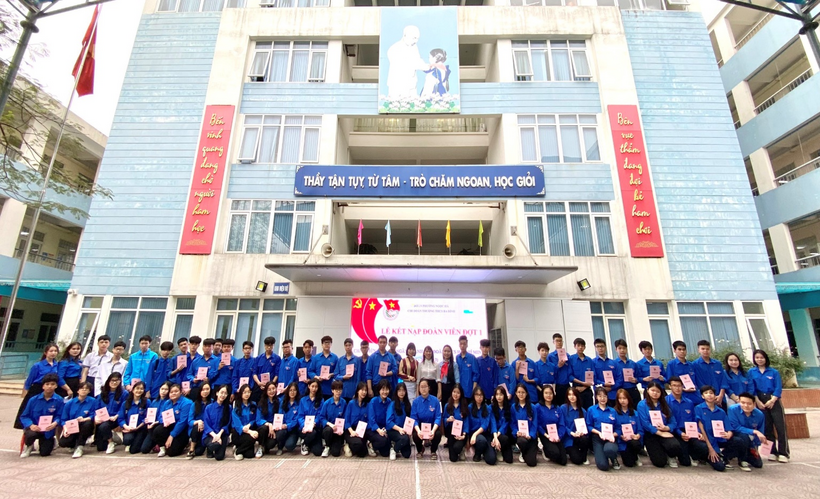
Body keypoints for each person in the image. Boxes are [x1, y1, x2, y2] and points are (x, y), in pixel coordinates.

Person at [748, 349, 789, 463]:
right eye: (757, 358)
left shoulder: (773, 372)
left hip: (773, 400)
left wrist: (773, 400)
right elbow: (752, 388)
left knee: (780, 427)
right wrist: (757, 401)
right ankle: (772, 452)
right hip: (760, 400)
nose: (759, 360)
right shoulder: (751, 372)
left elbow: (778, 387)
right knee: (767, 427)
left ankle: (783, 453)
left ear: (765, 358)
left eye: (761, 357)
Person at [17, 343, 69, 430]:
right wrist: (25, 393)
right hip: (36, 389)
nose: (53, 353)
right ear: (46, 352)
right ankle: (28, 436)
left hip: (50, 389)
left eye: (55, 351)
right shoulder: (37, 365)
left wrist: (68, 389)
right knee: (30, 413)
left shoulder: (57, 365)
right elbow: (29, 381)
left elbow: (59, 379)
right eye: (51, 351)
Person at [693, 385, 740, 471]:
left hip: (719, 439)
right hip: (707, 440)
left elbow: (728, 427)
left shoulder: (721, 411)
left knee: (738, 441)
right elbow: (701, 428)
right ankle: (707, 457)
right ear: (702, 396)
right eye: (706, 393)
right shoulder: (698, 408)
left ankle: (723, 456)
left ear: (715, 396)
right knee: (720, 467)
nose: (709, 395)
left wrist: (729, 433)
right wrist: (711, 449)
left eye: (711, 393)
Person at [637, 380, 681, 468]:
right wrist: (660, 433)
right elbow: (645, 423)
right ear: (647, 390)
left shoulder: (664, 404)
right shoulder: (642, 404)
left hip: (665, 431)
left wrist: (667, 428)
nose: (655, 393)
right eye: (652, 390)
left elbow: (673, 422)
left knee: (675, 445)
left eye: (658, 391)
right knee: (660, 463)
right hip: (651, 434)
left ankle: (670, 455)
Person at [19, 373, 64, 458]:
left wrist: (55, 423)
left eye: (52, 384)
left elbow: (60, 416)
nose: (49, 386)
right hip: (35, 428)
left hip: (48, 430)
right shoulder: (33, 400)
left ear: (56, 386)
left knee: (45, 453)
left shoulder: (59, 400)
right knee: (30, 434)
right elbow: (24, 416)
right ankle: (29, 446)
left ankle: (51, 441)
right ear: (43, 386)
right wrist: (31, 425)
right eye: (47, 384)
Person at [386, 25, 430, 98]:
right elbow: (411, 63)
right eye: (414, 38)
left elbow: (417, 60)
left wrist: (426, 66)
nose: (416, 41)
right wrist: (424, 67)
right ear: (405, 36)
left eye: (417, 38)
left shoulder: (413, 47)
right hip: (398, 84)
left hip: (411, 84)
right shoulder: (395, 48)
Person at [728, 392, 767, 471]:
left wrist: (755, 447)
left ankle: (745, 453)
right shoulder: (732, 409)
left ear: (754, 404)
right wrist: (754, 431)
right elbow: (735, 427)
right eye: (743, 403)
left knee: (758, 464)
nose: (746, 406)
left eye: (749, 404)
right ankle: (742, 460)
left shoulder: (759, 415)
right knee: (744, 436)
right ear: (739, 401)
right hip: (736, 436)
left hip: (751, 441)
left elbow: (760, 432)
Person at [151, 383, 193, 457]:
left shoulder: (187, 403)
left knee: (171, 453)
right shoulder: (167, 403)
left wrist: (172, 435)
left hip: (182, 429)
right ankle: (162, 447)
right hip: (170, 426)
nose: (173, 393)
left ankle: (184, 443)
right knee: (157, 430)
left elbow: (182, 422)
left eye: (176, 391)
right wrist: (164, 421)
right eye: (171, 392)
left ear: (180, 392)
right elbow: (161, 416)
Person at [665, 376, 697, 467]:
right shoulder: (665, 401)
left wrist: (696, 432)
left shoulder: (689, 402)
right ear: (670, 387)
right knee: (684, 461)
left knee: (701, 446)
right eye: (674, 385)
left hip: (687, 430)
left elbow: (693, 419)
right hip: (673, 431)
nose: (677, 388)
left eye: (679, 386)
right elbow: (668, 421)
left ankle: (692, 455)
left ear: (683, 386)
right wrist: (680, 433)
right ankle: (671, 455)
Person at [58, 381, 96, 458]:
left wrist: (85, 419)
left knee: (87, 424)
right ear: (78, 390)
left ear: (89, 391)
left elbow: (94, 414)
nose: (84, 390)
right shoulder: (69, 403)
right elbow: (63, 419)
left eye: (86, 389)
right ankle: (73, 443)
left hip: (85, 424)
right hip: (72, 426)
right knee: (63, 443)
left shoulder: (93, 401)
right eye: (82, 388)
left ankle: (80, 446)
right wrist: (65, 429)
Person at [586, 386, 620, 471]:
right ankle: (603, 456)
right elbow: (589, 426)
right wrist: (598, 433)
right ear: (596, 397)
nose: (602, 398)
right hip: (597, 437)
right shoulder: (591, 410)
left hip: (610, 438)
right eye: (600, 396)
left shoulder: (613, 411)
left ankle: (613, 458)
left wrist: (613, 435)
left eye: (605, 396)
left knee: (610, 450)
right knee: (603, 466)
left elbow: (618, 428)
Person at [94, 372, 126, 454]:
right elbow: (96, 408)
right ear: (108, 381)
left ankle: (111, 442)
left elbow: (125, 407)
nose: (114, 382)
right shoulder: (102, 393)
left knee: (104, 426)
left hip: (115, 418)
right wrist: (96, 417)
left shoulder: (124, 393)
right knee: (100, 448)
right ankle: (113, 436)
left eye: (117, 380)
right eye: (112, 380)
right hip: (103, 418)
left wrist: (117, 415)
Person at [536, 384, 568, 466]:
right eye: (546, 393)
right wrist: (546, 435)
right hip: (544, 433)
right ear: (542, 394)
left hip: (555, 432)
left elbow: (562, 425)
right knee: (555, 454)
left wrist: (559, 436)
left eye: (550, 393)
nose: (548, 395)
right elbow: (537, 424)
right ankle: (545, 450)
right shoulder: (538, 407)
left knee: (563, 461)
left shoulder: (558, 408)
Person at [411, 379, 442, 460]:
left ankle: (433, 451)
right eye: (421, 387)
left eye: (425, 386)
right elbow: (414, 418)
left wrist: (433, 430)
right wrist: (418, 431)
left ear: (429, 388)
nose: (423, 389)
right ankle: (420, 449)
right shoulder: (415, 402)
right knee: (415, 434)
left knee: (438, 433)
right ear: (419, 389)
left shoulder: (435, 401)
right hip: (420, 426)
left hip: (432, 425)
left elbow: (438, 417)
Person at [693, 340, 729, 406]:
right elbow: (698, 383)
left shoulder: (718, 364)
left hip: (720, 399)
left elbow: (723, 381)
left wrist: (720, 396)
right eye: (703, 349)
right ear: (698, 350)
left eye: (707, 349)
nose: (705, 351)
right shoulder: (695, 365)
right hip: (705, 401)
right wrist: (710, 397)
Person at [666, 341, 702, 405]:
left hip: (695, 396)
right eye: (679, 349)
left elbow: (697, 380)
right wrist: (682, 388)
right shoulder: (671, 364)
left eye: (684, 349)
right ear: (674, 350)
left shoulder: (691, 365)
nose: (682, 351)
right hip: (681, 396)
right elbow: (669, 380)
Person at [613, 389, 643, 468]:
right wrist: (620, 436)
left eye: (624, 398)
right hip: (622, 442)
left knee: (636, 444)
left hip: (633, 440)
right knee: (629, 463)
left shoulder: (635, 413)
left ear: (628, 399)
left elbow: (640, 429)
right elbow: (614, 429)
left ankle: (636, 455)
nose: (622, 401)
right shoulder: (614, 412)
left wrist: (638, 435)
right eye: (620, 398)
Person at [118, 380, 149, 455]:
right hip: (129, 429)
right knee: (127, 440)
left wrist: (138, 427)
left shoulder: (147, 402)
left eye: (141, 389)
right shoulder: (125, 403)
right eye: (137, 388)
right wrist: (126, 427)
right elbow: (121, 419)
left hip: (141, 428)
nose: (139, 390)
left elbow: (148, 418)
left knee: (133, 450)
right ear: (133, 390)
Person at [510, 384, 538, 467]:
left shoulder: (533, 407)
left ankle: (531, 450)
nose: (521, 394)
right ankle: (523, 451)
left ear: (526, 393)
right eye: (519, 392)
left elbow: (535, 423)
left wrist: (531, 434)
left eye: (523, 392)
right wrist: (516, 432)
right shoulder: (513, 407)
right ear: (516, 393)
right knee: (521, 441)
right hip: (521, 436)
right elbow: (512, 423)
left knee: (532, 463)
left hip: (530, 436)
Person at [140, 381, 171, 454]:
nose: (163, 391)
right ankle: (156, 444)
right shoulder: (154, 402)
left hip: (163, 426)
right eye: (162, 389)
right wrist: (147, 421)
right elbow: (149, 414)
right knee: (144, 449)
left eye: (166, 389)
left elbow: (167, 417)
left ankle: (161, 445)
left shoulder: (170, 402)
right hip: (152, 427)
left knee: (158, 429)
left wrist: (156, 422)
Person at [203, 385, 232, 461]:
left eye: (225, 393)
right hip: (210, 434)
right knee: (213, 445)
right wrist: (214, 435)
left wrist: (219, 435)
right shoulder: (209, 407)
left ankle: (217, 448)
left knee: (219, 457)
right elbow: (206, 424)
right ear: (217, 393)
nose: (223, 395)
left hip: (222, 434)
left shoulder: (228, 408)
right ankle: (209, 449)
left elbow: (227, 424)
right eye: (221, 392)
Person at [231, 384, 260, 460]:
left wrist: (250, 425)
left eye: (248, 392)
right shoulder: (236, 406)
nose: (247, 394)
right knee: (252, 438)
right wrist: (250, 432)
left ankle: (239, 448)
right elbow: (237, 425)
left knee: (250, 455)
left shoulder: (253, 404)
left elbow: (255, 419)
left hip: (249, 429)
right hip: (238, 433)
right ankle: (237, 451)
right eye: (244, 392)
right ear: (241, 393)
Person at [442, 383, 470, 463]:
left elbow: (466, 422)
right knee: (453, 459)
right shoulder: (447, 405)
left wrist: (464, 435)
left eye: (458, 393)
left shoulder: (464, 406)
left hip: (461, 433)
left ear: (461, 394)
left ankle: (462, 448)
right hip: (451, 432)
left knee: (457, 447)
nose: (456, 394)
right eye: (454, 392)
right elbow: (444, 419)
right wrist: (448, 419)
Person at [467, 386, 496, 464]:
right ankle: (477, 454)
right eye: (477, 395)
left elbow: (485, 425)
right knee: (481, 440)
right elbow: (467, 424)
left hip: (485, 434)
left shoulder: (487, 408)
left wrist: (475, 434)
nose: (479, 397)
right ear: (474, 396)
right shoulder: (469, 407)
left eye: (481, 395)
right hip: (475, 435)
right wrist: (469, 437)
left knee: (491, 460)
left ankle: (484, 450)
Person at [561, 387, 589, 465]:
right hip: (568, 438)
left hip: (579, 437)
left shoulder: (583, 411)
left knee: (584, 439)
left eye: (574, 395)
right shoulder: (563, 408)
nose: (572, 397)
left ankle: (584, 455)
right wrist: (571, 433)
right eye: (569, 395)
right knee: (577, 460)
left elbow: (586, 426)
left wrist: (582, 433)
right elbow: (562, 425)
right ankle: (570, 451)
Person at [319, 380, 347, 457]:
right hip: (329, 428)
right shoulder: (326, 403)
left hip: (339, 431)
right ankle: (327, 446)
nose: (338, 392)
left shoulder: (344, 403)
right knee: (328, 431)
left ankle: (337, 444)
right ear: (332, 390)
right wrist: (330, 424)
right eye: (336, 390)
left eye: (340, 390)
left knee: (335, 453)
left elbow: (345, 417)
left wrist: (341, 429)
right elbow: (322, 417)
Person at [367, 379, 394, 458]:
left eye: (386, 389)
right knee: (383, 440)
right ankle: (370, 444)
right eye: (383, 389)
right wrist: (379, 431)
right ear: (379, 390)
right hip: (373, 429)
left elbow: (390, 418)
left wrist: (385, 430)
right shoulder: (373, 401)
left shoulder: (389, 401)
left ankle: (379, 445)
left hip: (384, 429)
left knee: (385, 453)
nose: (385, 392)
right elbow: (371, 420)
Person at [343, 382, 370, 458]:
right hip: (351, 429)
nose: (364, 392)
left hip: (362, 430)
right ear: (358, 391)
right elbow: (347, 420)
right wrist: (351, 431)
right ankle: (347, 445)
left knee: (362, 454)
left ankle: (354, 447)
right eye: (362, 390)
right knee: (358, 444)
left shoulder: (367, 405)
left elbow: (369, 420)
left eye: (365, 390)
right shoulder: (351, 403)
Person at [298, 378, 324, 456]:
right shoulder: (303, 400)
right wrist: (304, 426)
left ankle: (308, 443)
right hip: (304, 429)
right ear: (309, 386)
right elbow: (300, 416)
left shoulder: (321, 400)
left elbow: (320, 415)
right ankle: (304, 443)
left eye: (316, 387)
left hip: (315, 427)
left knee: (318, 452)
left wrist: (314, 423)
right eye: (312, 386)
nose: (314, 389)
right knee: (312, 433)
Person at [186, 382, 212, 459]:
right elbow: (190, 421)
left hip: (208, 428)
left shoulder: (213, 402)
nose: (205, 391)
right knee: (197, 426)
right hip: (197, 429)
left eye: (207, 389)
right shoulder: (195, 404)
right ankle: (191, 449)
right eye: (203, 389)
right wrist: (198, 422)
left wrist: (205, 424)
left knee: (199, 451)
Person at [387, 382, 413, 460]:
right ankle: (394, 449)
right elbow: (388, 422)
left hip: (404, 431)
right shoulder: (392, 404)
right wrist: (399, 429)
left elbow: (410, 420)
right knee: (404, 439)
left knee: (407, 454)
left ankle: (399, 444)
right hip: (394, 430)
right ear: (396, 392)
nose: (401, 393)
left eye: (403, 390)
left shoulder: (407, 404)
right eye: (399, 390)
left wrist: (409, 430)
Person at [256, 382, 282, 457]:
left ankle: (266, 447)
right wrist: (269, 424)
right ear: (266, 391)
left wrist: (274, 426)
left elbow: (280, 416)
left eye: (273, 389)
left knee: (270, 444)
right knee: (263, 428)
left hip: (275, 427)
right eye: (269, 389)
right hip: (265, 427)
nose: (271, 391)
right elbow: (258, 420)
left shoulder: (280, 401)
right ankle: (260, 447)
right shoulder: (261, 403)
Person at [276, 382, 302, 455]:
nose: (292, 392)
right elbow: (280, 415)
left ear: (297, 391)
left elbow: (298, 418)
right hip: (283, 427)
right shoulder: (283, 402)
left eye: (294, 390)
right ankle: (280, 447)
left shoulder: (299, 402)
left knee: (289, 446)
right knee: (280, 434)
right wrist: (281, 424)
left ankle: (290, 441)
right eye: (290, 390)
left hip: (293, 429)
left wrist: (288, 425)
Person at [569, 338, 595, 409]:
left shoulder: (589, 360)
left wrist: (584, 387)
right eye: (578, 345)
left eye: (582, 346)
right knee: (578, 411)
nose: (580, 347)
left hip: (587, 390)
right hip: (576, 390)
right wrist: (582, 383)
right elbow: (570, 376)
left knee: (589, 411)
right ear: (575, 346)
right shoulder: (571, 359)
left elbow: (593, 376)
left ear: (585, 347)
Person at [593, 338, 619, 407]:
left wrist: (611, 388)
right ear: (595, 348)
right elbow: (593, 379)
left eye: (602, 346)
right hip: (600, 395)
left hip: (613, 394)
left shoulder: (613, 362)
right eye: (598, 346)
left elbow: (619, 378)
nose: (600, 348)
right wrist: (603, 384)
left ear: (605, 347)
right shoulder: (593, 363)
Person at [613, 339, 640, 404]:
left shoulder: (633, 363)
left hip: (633, 390)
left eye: (624, 348)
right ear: (616, 349)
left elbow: (639, 377)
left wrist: (636, 380)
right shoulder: (613, 364)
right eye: (620, 348)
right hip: (620, 390)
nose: (622, 350)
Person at [549, 334, 571, 405]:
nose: (559, 343)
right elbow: (550, 371)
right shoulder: (550, 356)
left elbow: (570, 369)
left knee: (569, 404)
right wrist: (558, 366)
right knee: (559, 405)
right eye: (557, 341)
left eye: (560, 341)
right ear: (553, 342)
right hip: (557, 385)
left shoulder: (567, 356)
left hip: (567, 384)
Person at [315, 336, 339, 400]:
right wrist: (317, 377)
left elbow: (337, 372)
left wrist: (331, 374)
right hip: (318, 388)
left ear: (331, 344)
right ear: (322, 344)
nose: (327, 345)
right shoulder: (316, 357)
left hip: (330, 388)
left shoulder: (335, 357)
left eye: (328, 343)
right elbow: (310, 371)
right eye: (325, 343)